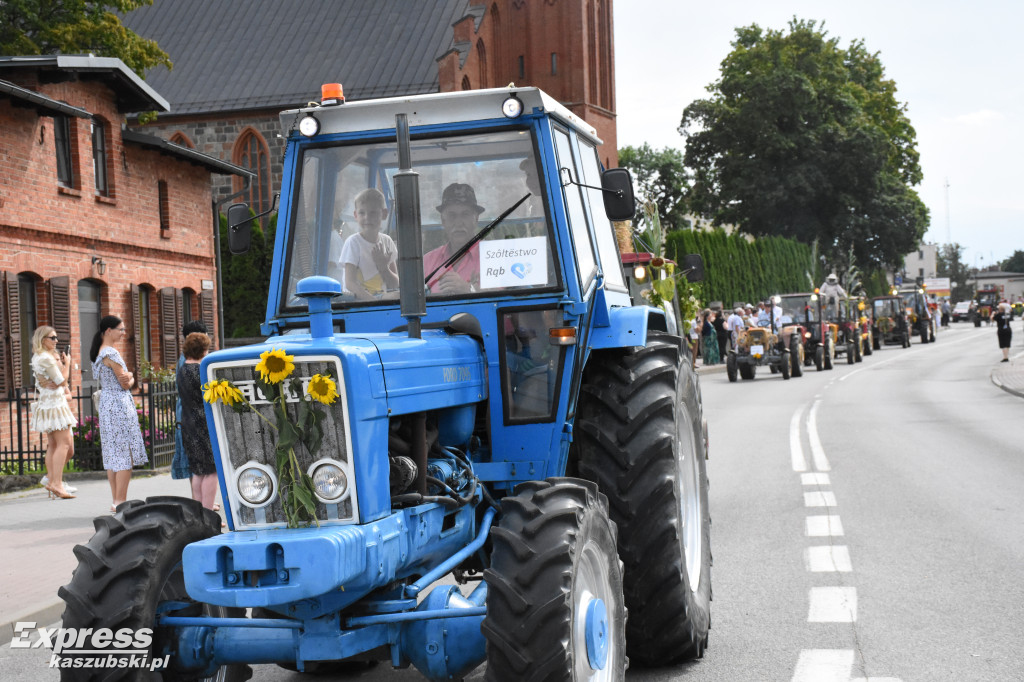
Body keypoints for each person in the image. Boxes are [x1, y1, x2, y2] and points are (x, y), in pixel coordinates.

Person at [90, 315, 148, 512]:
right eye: (120, 329)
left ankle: (116, 499)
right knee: (125, 454)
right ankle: (120, 501)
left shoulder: (98, 352)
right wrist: (131, 376)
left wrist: (127, 375)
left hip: (107, 404)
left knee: (113, 454)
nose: (123, 333)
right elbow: (125, 383)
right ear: (108, 330)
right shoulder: (111, 352)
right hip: (119, 405)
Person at [29, 326, 77, 499]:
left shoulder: (38, 357)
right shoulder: (46, 359)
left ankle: (52, 481)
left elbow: (55, 382)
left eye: (56, 338)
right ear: (43, 339)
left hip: (48, 403)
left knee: (54, 445)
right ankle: (56, 483)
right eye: (52, 338)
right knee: (63, 444)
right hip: (55, 405)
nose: (56, 341)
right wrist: (68, 364)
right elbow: (61, 380)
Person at [176, 332, 219, 510]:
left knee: (198, 471)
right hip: (203, 424)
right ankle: (208, 512)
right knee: (212, 470)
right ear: (203, 349)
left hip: (187, 423)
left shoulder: (182, 370)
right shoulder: (200, 371)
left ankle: (198, 511)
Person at [424, 183, 485, 294]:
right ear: (443, 220)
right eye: (452, 215)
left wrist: (469, 290)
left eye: (465, 214)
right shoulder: (427, 262)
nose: (458, 223)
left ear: (476, 218)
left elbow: (509, 297)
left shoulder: (492, 257)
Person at [340, 188, 399, 299]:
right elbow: (350, 283)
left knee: (398, 296)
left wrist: (383, 267)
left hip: (380, 297)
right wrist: (373, 303)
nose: (367, 217)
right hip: (355, 300)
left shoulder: (387, 242)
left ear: (384, 214)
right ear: (355, 215)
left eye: (373, 213)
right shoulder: (353, 243)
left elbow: (395, 285)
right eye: (362, 213)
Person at [172, 320, 210, 483]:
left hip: (186, 410)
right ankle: (201, 499)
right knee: (198, 457)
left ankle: (199, 498)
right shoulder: (190, 362)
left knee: (194, 455)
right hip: (192, 411)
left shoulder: (184, 359)